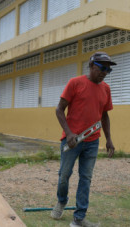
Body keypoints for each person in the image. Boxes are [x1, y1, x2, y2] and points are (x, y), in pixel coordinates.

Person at [50, 51, 116, 227]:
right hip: (72, 141)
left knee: (85, 178)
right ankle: (62, 201)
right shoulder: (75, 83)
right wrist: (69, 133)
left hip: (92, 141)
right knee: (64, 176)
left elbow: (105, 116)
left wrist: (109, 139)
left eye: (108, 70)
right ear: (92, 66)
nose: (104, 72)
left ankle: (79, 218)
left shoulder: (106, 89)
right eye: (102, 68)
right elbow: (59, 109)